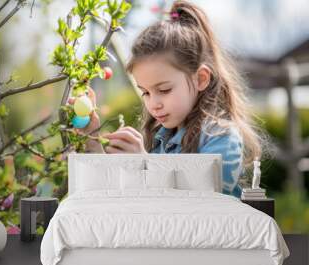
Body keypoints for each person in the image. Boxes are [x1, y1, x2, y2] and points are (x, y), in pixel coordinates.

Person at [69, 0, 265, 198]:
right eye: (145, 92)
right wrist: (92, 140)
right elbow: (126, 196)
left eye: (164, 90)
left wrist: (144, 164)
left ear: (201, 79)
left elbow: (204, 200)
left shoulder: (221, 138)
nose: (153, 104)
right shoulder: (160, 138)